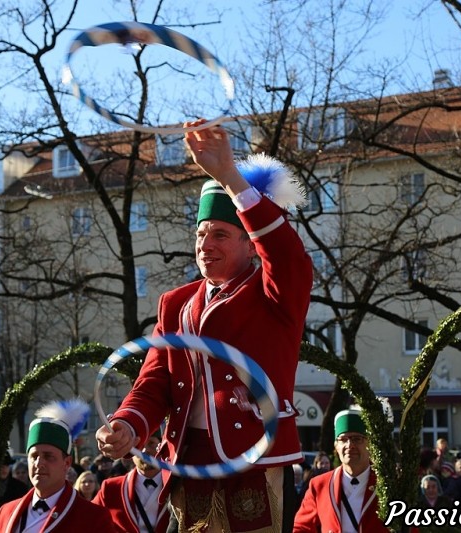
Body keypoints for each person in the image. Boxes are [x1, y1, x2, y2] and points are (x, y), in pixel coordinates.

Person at [96, 120, 312, 533]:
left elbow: (287, 256)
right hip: (188, 464)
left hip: (255, 462)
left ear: (251, 244)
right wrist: (128, 423)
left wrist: (230, 177)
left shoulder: (274, 293)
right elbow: (155, 380)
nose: (205, 245)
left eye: (220, 234)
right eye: (200, 234)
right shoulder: (176, 303)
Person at [0, 399, 117, 533]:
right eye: (34, 456)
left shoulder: (93, 517)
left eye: (48, 456)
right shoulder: (6, 512)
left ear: (67, 463)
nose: (39, 463)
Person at [294, 409, 389, 532]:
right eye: (343, 439)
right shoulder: (319, 485)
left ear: (369, 444)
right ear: (336, 446)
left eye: (357, 439)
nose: (350, 445)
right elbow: (301, 528)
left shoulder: (388, 484)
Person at [93, 433, 170, 532]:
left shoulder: (178, 486)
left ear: (162, 446)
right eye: (139, 445)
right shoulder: (112, 488)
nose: (144, 450)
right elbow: (89, 518)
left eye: (151, 443)